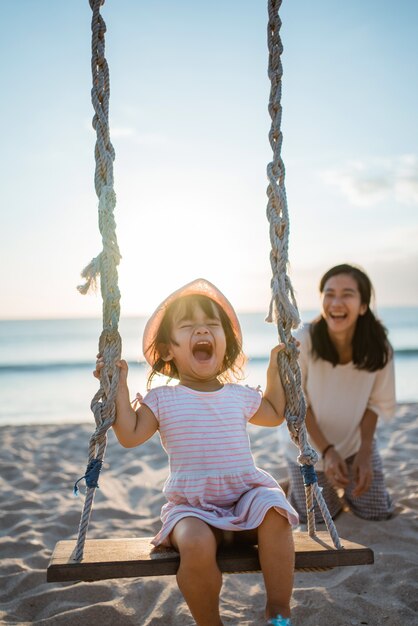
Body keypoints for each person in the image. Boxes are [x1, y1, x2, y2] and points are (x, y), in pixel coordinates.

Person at [94, 278, 298, 626]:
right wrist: (118, 384)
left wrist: (277, 370)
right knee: (196, 543)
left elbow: (275, 412)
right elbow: (129, 434)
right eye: (187, 326)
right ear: (170, 350)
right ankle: (209, 622)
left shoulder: (238, 395)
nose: (201, 330)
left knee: (276, 513)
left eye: (211, 325)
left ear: (225, 345)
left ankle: (278, 608)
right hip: (192, 507)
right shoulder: (162, 399)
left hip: (244, 496)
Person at [281, 264, 395, 524]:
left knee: (377, 512)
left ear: (363, 305)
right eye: (329, 294)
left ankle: (316, 480)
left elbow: (375, 404)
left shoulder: (379, 347)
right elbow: (298, 406)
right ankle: (290, 485)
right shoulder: (305, 341)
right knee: (321, 518)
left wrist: (365, 452)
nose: (336, 302)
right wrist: (328, 451)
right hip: (308, 448)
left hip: (355, 445)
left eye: (347, 294)